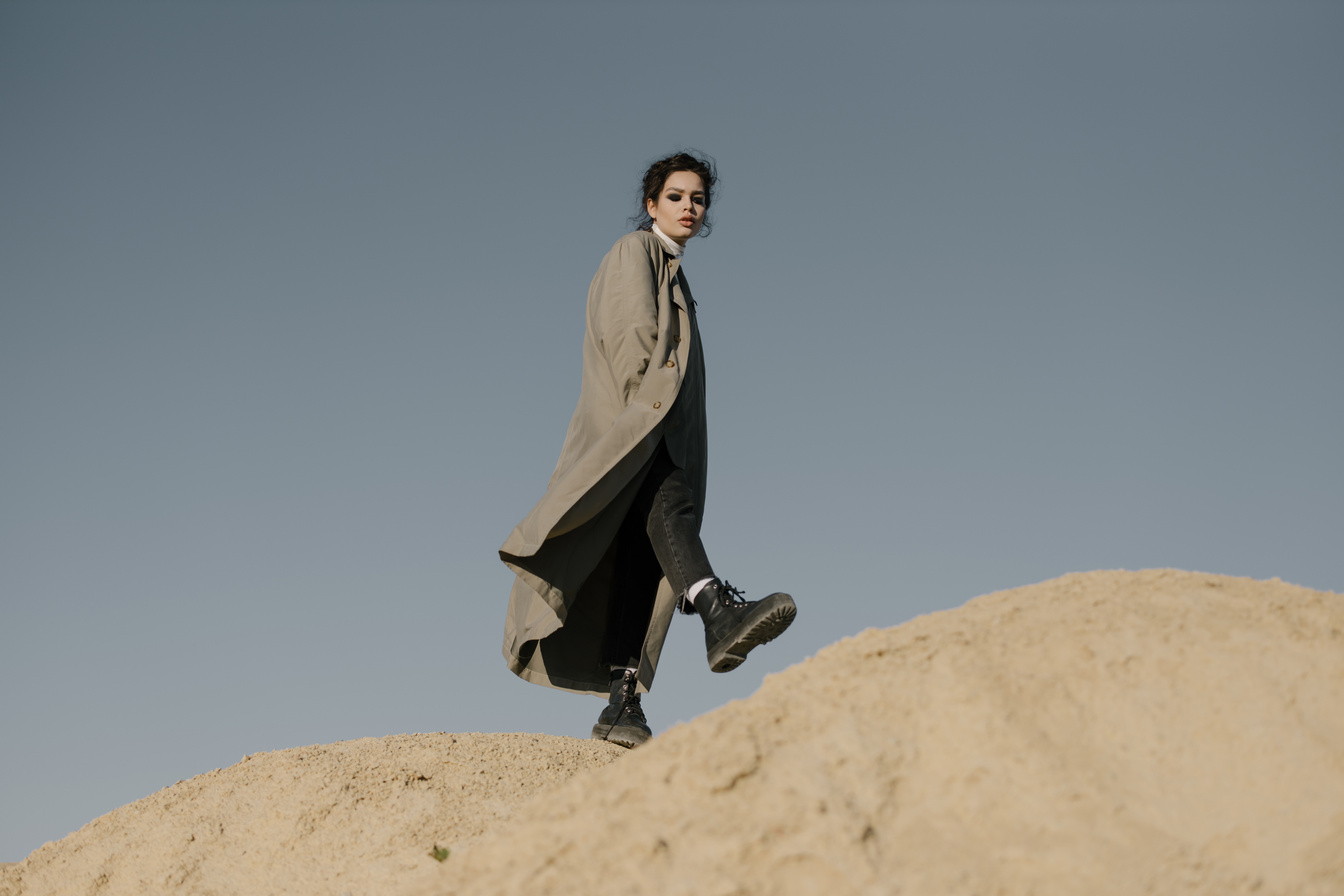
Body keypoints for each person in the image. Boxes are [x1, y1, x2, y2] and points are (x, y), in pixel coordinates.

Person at [499, 151, 796, 748]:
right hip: (633, 425)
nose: (690, 207)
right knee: (669, 512)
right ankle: (717, 611)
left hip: (657, 428)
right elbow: (632, 335)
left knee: (639, 564)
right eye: (678, 196)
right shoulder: (634, 254)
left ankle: (621, 706)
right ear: (651, 202)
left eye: (699, 199)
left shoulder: (676, 273)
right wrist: (646, 424)